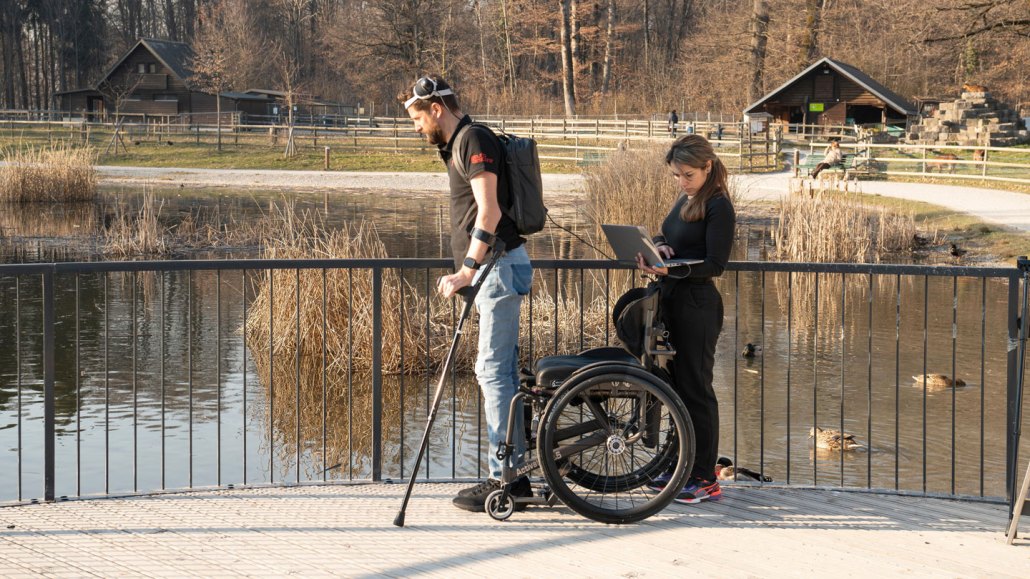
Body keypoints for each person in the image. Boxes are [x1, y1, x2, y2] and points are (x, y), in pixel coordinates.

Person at [400, 74, 533, 513]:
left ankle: (504, 479)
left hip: (495, 268)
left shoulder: (472, 139)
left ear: (436, 108)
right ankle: (515, 474)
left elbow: (490, 211)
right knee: (502, 373)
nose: (417, 128)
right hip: (493, 271)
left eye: (418, 118)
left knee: (492, 372)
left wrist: (465, 271)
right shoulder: (459, 141)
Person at [637, 134, 735, 504]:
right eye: (677, 175)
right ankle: (681, 466)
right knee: (677, 391)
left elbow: (716, 264)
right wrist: (660, 246)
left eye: (688, 174)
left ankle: (704, 477)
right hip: (674, 302)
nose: (681, 181)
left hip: (698, 306)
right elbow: (668, 231)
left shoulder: (718, 205)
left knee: (698, 391)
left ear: (707, 167)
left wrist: (670, 270)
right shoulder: (687, 198)